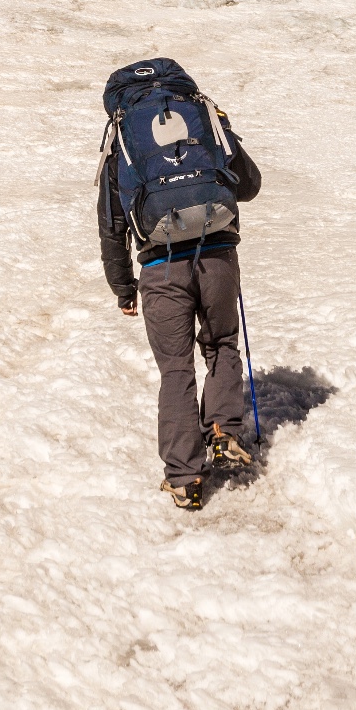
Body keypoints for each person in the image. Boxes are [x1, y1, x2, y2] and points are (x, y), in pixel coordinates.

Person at [96, 57, 264, 510]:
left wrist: (123, 287)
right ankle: (225, 429)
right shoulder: (203, 121)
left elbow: (112, 223)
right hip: (218, 254)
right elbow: (248, 185)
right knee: (222, 343)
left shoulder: (123, 142)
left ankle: (184, 478)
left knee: (176, 369)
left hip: (160, 267)